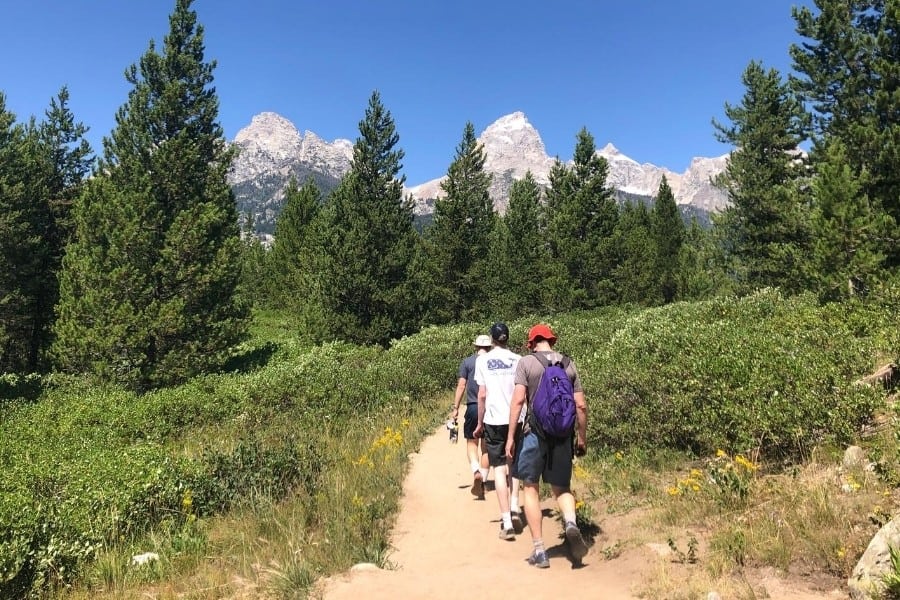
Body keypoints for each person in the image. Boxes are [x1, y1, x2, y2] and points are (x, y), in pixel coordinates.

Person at [506, 323, 588, 568]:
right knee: (562, 488)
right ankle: (571, 523)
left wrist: (511, 437)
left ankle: (540, 551)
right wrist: (581, 438)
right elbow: (581, 406)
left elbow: (519, 400)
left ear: (531, 343)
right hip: (562, 436)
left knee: (530, 488)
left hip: (534, 434)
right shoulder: (568, 363)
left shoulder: (526, 363)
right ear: (552, 340)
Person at [473, 322, 523, 541]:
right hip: (516, 418)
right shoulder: (518, 360)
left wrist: (480, 422)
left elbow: (482, 394)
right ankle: (515, 505)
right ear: (507, 338)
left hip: (494, 419)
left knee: (500, 469)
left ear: (492, 340)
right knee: (514, 464)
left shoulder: (482, 360)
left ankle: (506, 521)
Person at [451, 334, 493, 499]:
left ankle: (476, 470)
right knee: (487, 447)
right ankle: (483, 477)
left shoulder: (467, 362)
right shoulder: (493, 362)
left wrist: (455, 408)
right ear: (489, 347)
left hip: (474, 407)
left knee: (471, 443)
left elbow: (461, 385)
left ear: (476, 346)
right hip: (490, 409)